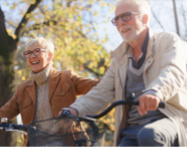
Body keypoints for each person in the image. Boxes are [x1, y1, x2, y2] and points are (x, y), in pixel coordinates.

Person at [63, 0, 187, 147]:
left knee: (149, 135)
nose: (121, 22)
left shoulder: (168, 41)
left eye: (126, 16)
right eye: (116, 19)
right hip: (131, 130)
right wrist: (74, 110)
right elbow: (101, 91)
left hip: (169, 121)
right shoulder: (119, 59)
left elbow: (173, 70)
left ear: (145, 19)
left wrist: (155, 92)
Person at [0, 37, 100, 147]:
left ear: (49, 56)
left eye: (37, 51)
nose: (32, 56)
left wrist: (116, 69)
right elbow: (2, 114)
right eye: (28, 53)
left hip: (69, 143)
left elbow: (97, 86)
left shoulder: (67, 77)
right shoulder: (23, 89)